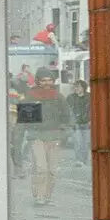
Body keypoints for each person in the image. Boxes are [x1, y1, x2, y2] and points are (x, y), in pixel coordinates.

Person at [25, 67, 71, 206]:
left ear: (53, 81)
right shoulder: (31, 96)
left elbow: (67, 115)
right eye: (43, 80)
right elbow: (26, 120)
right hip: (37, 137)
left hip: (55, 137)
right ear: (38, 81)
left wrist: (64, 128)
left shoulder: (58, 96)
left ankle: (47, 196)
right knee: (41, 168)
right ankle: (39, 195)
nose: (47, 83)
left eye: (49, 80)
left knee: (52, 170)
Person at [68, 79, 91, 167]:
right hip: (75, 123)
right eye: (75, 87)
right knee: (77, 142)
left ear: (83, 88)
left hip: (87, 122)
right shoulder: (71, 97)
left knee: (85, 143)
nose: (76, 88)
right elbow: (67, 110)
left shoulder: (89, 97)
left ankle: (83, 160)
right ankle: (78, 160)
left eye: (78, 87)